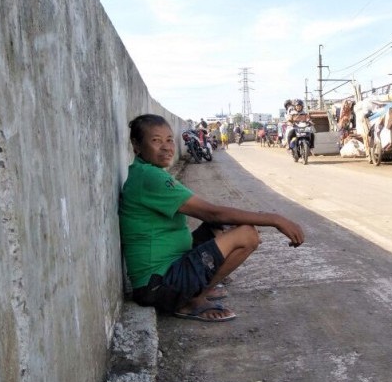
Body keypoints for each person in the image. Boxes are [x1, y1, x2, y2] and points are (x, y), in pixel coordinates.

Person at [119, 114, 304, 322]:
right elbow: (211, 211)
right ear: (136, 145)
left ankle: (196, 288)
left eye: (169, 140)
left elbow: (215, 217)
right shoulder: (149, 177)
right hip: (157, 286)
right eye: (156, 141)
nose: (166, 147)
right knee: (246, 234)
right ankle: (193, 299)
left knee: (221, 225)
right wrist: (275, 219)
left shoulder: (147, 172)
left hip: (167, 272)